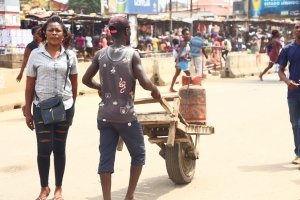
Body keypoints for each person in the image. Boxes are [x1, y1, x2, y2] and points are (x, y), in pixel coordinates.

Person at [82, 16, 161, 200]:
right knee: (139, 154)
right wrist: (156, 90)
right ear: (127, 32)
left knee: (106, 159)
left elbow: (86, 80)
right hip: (126, 118)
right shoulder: (132, 54)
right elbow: (144, 81)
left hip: (105, 117)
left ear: (111, 32)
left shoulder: (100, 54)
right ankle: (129, 196)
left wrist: (99, 87)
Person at [24, 15, 78, 200]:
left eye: (58, 30)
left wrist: (72, 107)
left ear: (64, 34)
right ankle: (44, 187)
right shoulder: (35, 55)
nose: (54, 33)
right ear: (44, 33)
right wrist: (28, 111)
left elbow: (74, 83)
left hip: (65, 107)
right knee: (44, 149)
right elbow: (29, 84)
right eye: (51, 30)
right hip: (41, 108)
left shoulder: (70, 55)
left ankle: (58, 188)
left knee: (60, 149)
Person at [278, 22, 300, 166]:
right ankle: (298, 153)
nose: (298, 29)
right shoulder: (287, 49)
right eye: (297, 27)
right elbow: (280, 70)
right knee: (295, 123)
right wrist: (287, 82)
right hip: (293, 92)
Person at [169, 28, 191, 92]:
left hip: (182, 60)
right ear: (183, 35)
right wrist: (177, 63)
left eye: (188, 34)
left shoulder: (187, 43)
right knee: (189, 74)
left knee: (177, 74)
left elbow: (185, 53)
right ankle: (189, 88)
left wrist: (187, 58)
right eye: (186, 34)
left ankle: (171, 88)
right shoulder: (183, 43)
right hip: (180, 61)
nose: (188, 35)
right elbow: (179, 54)